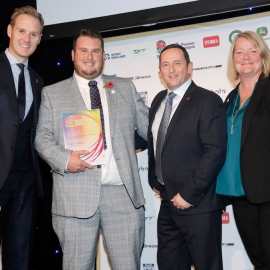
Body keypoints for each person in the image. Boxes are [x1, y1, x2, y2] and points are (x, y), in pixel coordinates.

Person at [35, 29, 148, 270]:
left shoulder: (125, 87)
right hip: (75, 197)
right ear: (73, 55)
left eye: (95, 51)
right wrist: (65, 160)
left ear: (103, 55)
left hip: (122, 197)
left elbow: (152, 128)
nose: (90, 56)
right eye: (84, 50)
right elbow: (41, 138)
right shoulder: (52, 93)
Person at [148, 44, 227, 270]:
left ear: (190, 67)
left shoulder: (207, 100)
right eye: (165, 64)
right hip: (167, 202)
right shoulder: (158, 101)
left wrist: (188, 194)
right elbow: (156, 142)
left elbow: (215, 152)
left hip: (198, 204)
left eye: (177, 63)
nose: (171, 69)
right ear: (160, 71)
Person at [216, 31, 270, 269]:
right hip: (239, 192)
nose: (246, 56)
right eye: (239, 51)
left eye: (252, 50)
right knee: (258, 260)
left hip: (268, 192)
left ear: (263, 55)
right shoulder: (230, 98)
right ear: (233, 59)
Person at [0, 6, 44, 270]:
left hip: (25, 182)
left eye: (34, 34)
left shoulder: (38, 80)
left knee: (19, 256)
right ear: (9, 31)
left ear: (40, 39)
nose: (27, 39)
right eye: (22, 31)